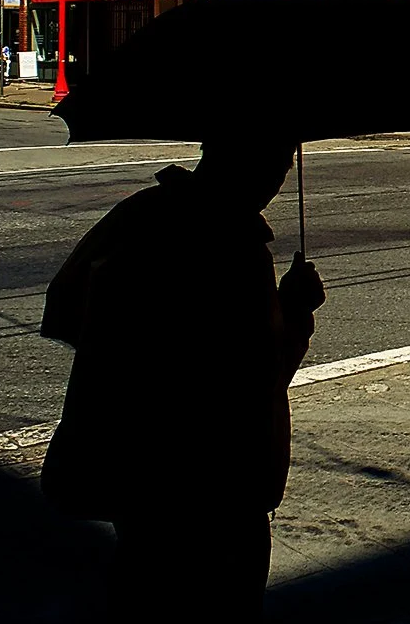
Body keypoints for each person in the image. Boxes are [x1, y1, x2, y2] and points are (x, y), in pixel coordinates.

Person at [40, 139, 325, 621]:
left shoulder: (140, 213)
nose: (280, 180)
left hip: (136, 478)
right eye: (278, 163)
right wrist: (294, 311)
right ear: (246, 163)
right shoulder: (235, 244)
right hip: (219, 491)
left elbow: (62, 307)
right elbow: (256, 377)